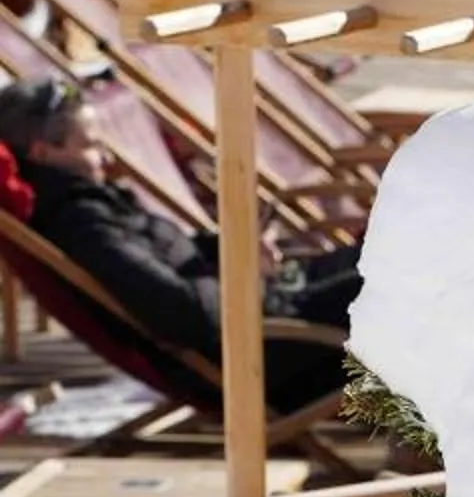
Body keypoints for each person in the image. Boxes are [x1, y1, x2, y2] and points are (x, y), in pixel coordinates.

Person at [0, 80, 359, 408]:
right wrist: (242, 274)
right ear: (43, 152)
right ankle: (408, 441)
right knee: (392, 280)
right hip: (259, 351)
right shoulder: (85, 226)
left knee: (383, 255)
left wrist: (235, 250)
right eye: (92, 146)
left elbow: (172, 260)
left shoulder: (92, 205)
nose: (107, 159)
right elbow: (180, 311)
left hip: (267, 313)